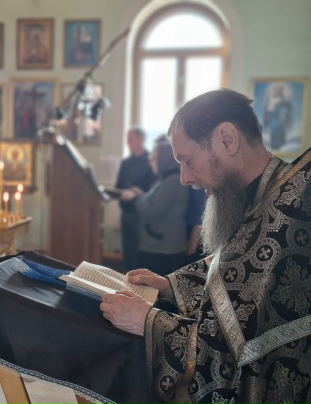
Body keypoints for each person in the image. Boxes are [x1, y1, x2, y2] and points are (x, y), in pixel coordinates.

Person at [100, 88, 311, 403]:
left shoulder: (294, 210)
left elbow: (230, 355)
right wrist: (171, 286)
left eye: (188, 161)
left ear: (227, 139)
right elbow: (236, 271)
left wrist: (149, 321)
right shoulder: (261, 199)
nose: (184, 178)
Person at [126, 135, 190, 276]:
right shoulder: (166, 179)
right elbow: (155, 201)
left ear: (164, 159)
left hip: (164, 248)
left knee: (152, 286)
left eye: (153, 158)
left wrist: (134, 198)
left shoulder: (173, 181)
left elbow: (151, 209)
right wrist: (141, 195)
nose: (150, 162)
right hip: (159, 244)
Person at [114, 128, 157, 271]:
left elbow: (155, 190)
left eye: (130, 139)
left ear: (141, 139)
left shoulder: (151, 162)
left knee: (141, 255)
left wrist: (138, 193)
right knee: (128, 253)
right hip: (126, 212)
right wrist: (121, 192)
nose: (127, 143)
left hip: (141, 215)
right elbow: (118, 186)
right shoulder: (125, 163)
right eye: (127, 139)